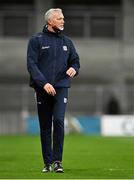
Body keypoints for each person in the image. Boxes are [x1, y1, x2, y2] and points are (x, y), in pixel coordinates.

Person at [27, 8, 80, 173]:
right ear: (50, 21)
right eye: (59, 18)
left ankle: (57, 161)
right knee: (45, 126)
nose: (63, 21)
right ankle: (47, 163)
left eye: (63, 18)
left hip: (62, 87)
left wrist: (74, 68)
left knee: (58, 121)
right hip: (43, 89)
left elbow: (76, 61)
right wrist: (43, 84)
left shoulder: (67, 42)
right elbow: (31, 65)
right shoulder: (36, 40)